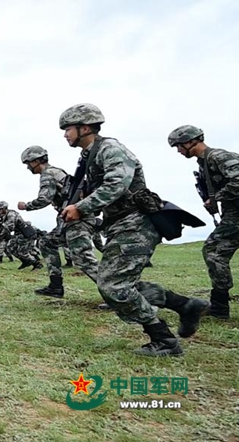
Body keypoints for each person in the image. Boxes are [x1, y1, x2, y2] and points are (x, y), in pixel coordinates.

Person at [59, 104, 208, 356]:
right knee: (118, 281)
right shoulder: (90, 156)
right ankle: (185, 305)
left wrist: (81, 207)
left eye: (67, 129)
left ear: (84, 128)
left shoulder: (110, 149)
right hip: (121, 224)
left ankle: (164, 340)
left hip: (136, 223)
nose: (65, 135)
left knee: (113, 286)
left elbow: (117, 184)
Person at [168, 124, 239, 320]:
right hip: (233, 214)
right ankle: (219, 307)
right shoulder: (204, 163)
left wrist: (216, 198)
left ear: (191, 141)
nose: (179, 151)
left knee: (214, 250)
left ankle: (219, 308)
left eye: (179, 146)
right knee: (215, 251)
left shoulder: (218, 156)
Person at [17, 145, 100, 298]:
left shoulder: (48, 173)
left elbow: (44, 199)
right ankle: (55, 286)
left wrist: (26, 206)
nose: (28, 167)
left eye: (28, 163)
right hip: (70, 219)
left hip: (77, 219)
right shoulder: (57, 171)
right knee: (46, 243)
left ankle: (119, 293)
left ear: (36, 161)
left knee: (83, 259)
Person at [0, 201, 42, 270]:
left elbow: (10, 227)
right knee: (10, 247)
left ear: (4, 208)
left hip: (25, 233)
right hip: (18, 233)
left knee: (22, 252)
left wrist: (2, 224)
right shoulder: (5, 216)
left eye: (0, 209)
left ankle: (37, 264)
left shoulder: (11, 214)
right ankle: (25, 261)